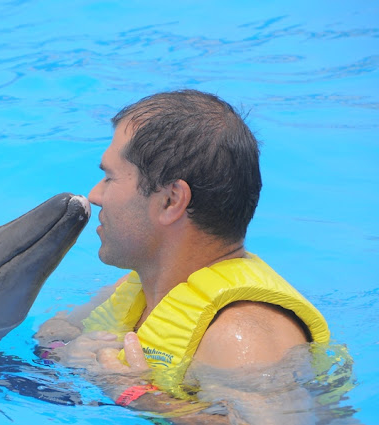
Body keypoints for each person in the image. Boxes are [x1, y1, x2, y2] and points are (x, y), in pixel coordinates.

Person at [35, 90, 330, 422]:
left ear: (171, 200)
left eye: (110, 178)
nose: (94, 195)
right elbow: (52, 333)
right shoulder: (139, 291)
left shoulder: (243, 336)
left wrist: (136, 395)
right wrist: (69, 353)